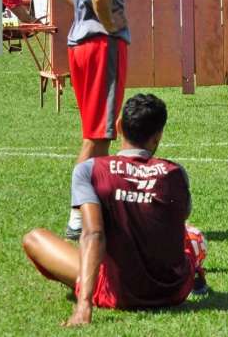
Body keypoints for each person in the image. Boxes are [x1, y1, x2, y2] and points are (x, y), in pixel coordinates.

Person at [22, 94, 207, 327]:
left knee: (34, 238)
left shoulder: (91, 170)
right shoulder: (176, 173)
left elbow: (93, 234)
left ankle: (92, 284)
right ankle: (196, 271)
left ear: (118, 126)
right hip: (172, 291)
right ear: (158, 136)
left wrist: (84, 305)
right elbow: (180, 216)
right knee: (192, 234)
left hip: (117, 291)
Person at [39, 0, 135, 240]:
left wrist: (77, 6)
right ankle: (79, 218)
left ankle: (94, 214)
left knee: (95, 132)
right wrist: (107, 22)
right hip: (101, 46)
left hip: (77, 44)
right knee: (98, 137)